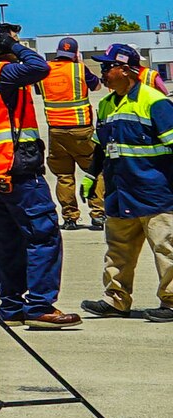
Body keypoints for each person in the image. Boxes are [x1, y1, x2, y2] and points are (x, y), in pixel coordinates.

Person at [0, 20, 80, 328]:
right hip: (18, 169)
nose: (19, 46)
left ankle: (12, 307)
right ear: (0, 46)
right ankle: (40, 306)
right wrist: (12, 46)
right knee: (43, 236)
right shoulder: (4, 73)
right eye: (13, 41)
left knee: (9, 242)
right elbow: (39, 68)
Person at [79, 44, 173, 322]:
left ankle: (171, 302)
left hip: (155, 194)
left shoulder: (155, 102)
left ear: (127, 70)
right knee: (117, 252)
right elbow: (99, 147)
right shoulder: (107, 104)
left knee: (166, 249)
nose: (104, 72)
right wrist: (89, 176)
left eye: (109, 67)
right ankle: (116, 300)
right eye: (104, 67)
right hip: (120, 194)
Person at [40, 36, 104, 230]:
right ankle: (98, 213)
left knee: (64, 176)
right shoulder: (79, 69)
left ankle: (70, 217)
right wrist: (81, 65)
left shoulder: (46, 70)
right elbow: (97, 86)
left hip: (56, 131)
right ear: (76, 54)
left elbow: (38, 90)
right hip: (81, 129)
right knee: (95, 171)